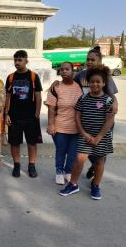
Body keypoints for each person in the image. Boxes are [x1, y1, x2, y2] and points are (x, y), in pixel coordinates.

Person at [59, 66, 115, 200]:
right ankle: (73, 184)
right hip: (85, 136)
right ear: (88, 83)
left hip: (102, 137)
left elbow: (109, 121)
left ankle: (96, 185)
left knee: (99, 162)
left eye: (98, 82)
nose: (95, 84)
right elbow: (77, 116)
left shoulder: (108, 100)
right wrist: (84, 134)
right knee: (79, 159)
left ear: (103, 83)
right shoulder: (83, 99)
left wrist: (98, 137)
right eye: (92, 82)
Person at [73, 46, 119, 180]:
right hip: (87, 118)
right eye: (88, 59)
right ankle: (94, 166)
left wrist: (115, 103)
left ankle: (96, 175)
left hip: (102, 119)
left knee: (100, 150)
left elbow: (111, 96)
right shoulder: (80, 75)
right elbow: (71, 86)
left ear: (99, 61)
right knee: (85, 148)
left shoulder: (105, 77)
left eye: (93, 60)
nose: (89, 62)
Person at [5, 50, 43, 178]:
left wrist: (37, 114)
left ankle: (31, 165)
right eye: (15, 60)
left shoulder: (33, 76)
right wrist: (7, 114)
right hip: (15, 116)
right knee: (14, 143)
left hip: (30, 116)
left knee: (32, 143)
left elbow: (38, 96)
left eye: (20, 60)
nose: (17, 62)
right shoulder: (11, 77)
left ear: (26, 61)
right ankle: (17, 165)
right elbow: (8, 97)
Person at [46, 62, 83, 185]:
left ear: (73, 71)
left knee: (72, 153)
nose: (64, 71)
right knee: (61, 151)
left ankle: (68, 172)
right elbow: (51, 108)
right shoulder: (55, 88)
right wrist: (51, 125)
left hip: (76, 127)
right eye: (61, 69)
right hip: (60, 127)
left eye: (67, 69)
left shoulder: (78, 87)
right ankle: (59, 172)